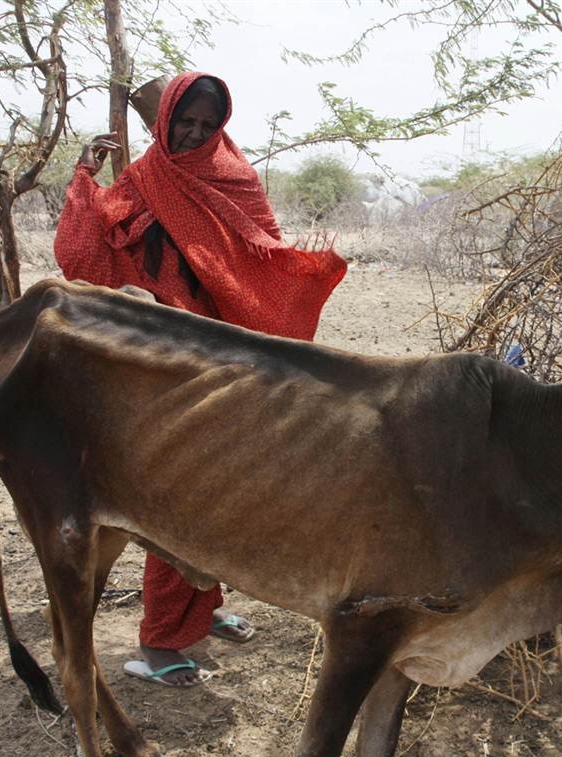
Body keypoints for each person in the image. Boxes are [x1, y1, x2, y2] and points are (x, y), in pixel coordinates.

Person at [53, 72, 346, 687]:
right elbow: (85, 256)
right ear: (165, 121)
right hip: (165, 362)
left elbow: (260, 258)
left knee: (228, 489)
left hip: (228, 355)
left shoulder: (235, 177)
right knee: (181, 494)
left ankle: (202, 610)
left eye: (206, 124)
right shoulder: (140, 180)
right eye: (184, 121)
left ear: (221, 125)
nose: (194, 132)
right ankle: (160, 643)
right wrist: (84, 182)